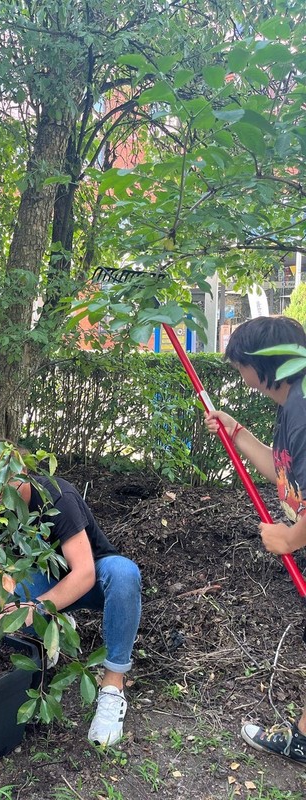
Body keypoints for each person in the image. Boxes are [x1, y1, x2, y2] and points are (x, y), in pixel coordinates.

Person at [0, 439, 142, 747]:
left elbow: (85, 573)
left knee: (125, 575)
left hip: (93, 578)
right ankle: (54, 628)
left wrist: (35, 607)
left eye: (0, 484)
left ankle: (113, 686)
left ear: (21, 469)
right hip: (45, 581)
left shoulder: (58, 497)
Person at [205, 315, 306, 763]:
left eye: (240, 364)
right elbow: (283, 472)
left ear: (264, 364)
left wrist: (290, 538)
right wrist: (236, 432)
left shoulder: (303, 414)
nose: (238, 374)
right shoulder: (293, 407)